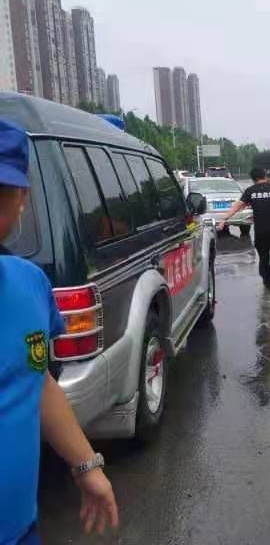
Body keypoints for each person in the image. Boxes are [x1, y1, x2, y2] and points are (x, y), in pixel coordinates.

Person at [0, 120, 119, 544]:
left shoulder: (30, 284)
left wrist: (87, 466)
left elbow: (37, 380)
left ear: (22, 201)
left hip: (22, 528)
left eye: (0, 195)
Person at [218, 168, 270, 300]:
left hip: (261, 231)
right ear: (265, 176)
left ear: (253, 179)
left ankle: (267, 284)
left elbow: (237, 206)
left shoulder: (250, 191)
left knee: (264, 259)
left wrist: (224, 219)